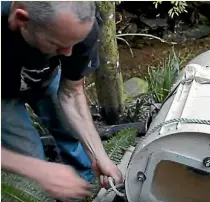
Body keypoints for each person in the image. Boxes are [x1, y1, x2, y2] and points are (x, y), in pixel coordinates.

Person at [1, 1, 123, 201]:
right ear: (20, 19)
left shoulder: (81, 26)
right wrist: (37, 169)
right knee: (27, 152)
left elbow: (72, 93)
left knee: (68, 130)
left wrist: (100, 156)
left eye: (74, 44)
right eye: (57, 44)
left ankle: (83, 190)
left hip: (43, 76)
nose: (68, 54)